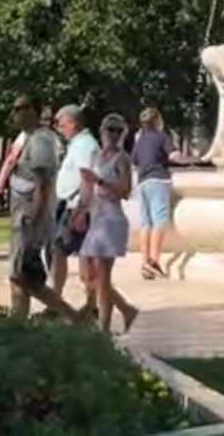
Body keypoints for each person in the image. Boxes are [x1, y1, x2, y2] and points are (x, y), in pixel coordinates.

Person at [4, 93, 78, 320]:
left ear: (35, 111)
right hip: (24, 216)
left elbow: (43, 182)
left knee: (23, 277)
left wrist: (34, 216)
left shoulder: (40, 140)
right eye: (15, 108)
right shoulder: (28, 138)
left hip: (31, 219)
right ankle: (22, 325)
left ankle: (74, 318)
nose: (17, 113)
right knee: (24, 277)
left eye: (22, 108)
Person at [78, 113, 141, 333]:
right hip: (96, 217)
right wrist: (78, 213)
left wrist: (100, 180)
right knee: (88, 274)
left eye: (118, 131)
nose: (113, 135)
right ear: (102, 131)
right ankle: (126, 308)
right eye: (109, 130)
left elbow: (125, 191)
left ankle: (103, 327)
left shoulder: (122, 158)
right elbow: (87, 191)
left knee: (103, 276)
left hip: (111, 218)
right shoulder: (95, 156)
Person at [51, 105, 101, 299]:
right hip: (73, 204)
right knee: (66, 251)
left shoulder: (84, 145)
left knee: (77, 254)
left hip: (78, 206)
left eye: (62, 125)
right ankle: (85, 301)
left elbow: (87, 178)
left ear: (73, 123)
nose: (60, 130)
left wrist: (81, 210)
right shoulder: (79, 144)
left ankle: (90, 301)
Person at [132, 107, 179, 280]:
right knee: (160, 220)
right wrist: (192, 160)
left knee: (146, 224)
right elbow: (173, 155)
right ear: (157, 120)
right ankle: (154, 261)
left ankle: (145, 263)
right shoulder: (162, 136)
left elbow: (135, 161)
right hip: (158, 180)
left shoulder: (140, 140)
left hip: (142, 182)